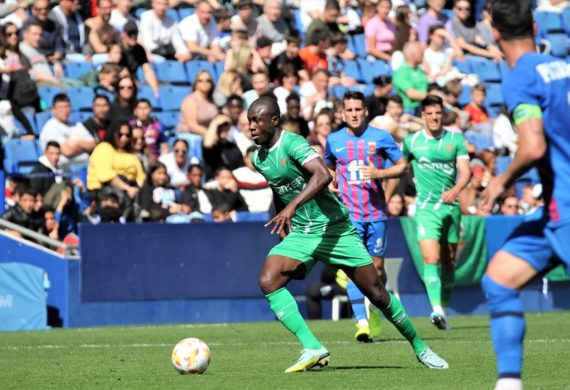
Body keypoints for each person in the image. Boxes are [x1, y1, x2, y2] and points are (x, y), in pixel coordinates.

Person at [247, 95, 448, 372]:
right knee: (268, 280)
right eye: (248, 121)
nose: (251, 126)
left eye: (256, 120)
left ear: (274, 120)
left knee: (377, 294)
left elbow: (323, 176)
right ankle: (313, 347)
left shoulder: (292, 143)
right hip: (304, 233)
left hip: (336, 229)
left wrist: (291, 207)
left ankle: (421, 348)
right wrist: (285, 225)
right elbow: (280, 190)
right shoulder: (259, 158)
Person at [478, 2, 570, 389]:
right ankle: (509, 384)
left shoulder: (519, 78)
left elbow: (531, 147)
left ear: (495, 34)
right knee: (499, 280)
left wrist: (501, 181)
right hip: (551, 214)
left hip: (565, 208)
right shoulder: (562, 67)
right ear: (534, 26)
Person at [325, 91, 406, 342]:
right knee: (355, 270)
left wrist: (379, 174)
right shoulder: (334, 140)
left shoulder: (380, 138)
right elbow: (328, 165)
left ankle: (375, 304)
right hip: (349, 216)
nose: (353, 114)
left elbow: (403, 165)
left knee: (377, 270)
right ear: (342, 113)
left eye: (357, 109)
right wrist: (330, 181)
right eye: (348, 110)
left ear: (365, 111)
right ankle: (362, 322)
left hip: (376, 213)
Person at [402, 95, 471, 330]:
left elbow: (466, 171)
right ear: (423, 115)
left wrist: (456, 190)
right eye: (429, 113)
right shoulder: (412, 142)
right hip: (426, 208)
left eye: (438, 113)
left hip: (450, 208)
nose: (434, 117)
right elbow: (400, 167)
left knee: (449, 261)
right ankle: (437, 310)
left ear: (442, 115)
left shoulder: (455, 139)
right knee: (431, 258)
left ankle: (444, 306)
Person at [39, 94, 96, 169]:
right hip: (61, 171)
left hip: (85, 167)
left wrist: (76, 142)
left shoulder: (77, 125)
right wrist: (84, 146)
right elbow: (67, 151)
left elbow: (93, 144)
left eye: (67, 106)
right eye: (61, 107)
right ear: (53, 110)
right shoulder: (51, 127)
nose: (65, 110)